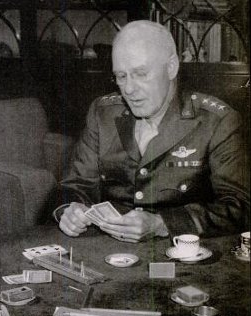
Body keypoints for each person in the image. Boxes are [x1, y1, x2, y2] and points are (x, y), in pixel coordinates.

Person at [54, 20, 249, 242]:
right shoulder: (103, 112)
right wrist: (68, 210)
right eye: (121, 76)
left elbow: (241, 207)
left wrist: (163, 223)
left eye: (141, 73)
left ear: (171, 67)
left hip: (184, 256)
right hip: (108, 252)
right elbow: (75, 185)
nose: (128, 89)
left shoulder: (217, 121)